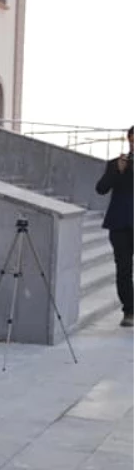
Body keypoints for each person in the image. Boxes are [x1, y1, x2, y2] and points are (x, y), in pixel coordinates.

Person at [96, 125, 134, 327]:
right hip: (119, 225)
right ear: (129, 139)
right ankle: (129, 310)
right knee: (124, 269)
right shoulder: (115, 164)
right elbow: (101, 189)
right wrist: (117, 172)